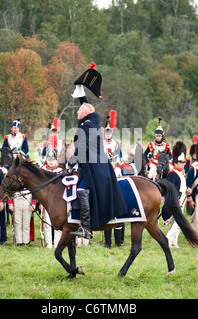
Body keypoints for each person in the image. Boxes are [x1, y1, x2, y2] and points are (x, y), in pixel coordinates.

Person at [68, 63, 128, 239]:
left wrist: (72, 159)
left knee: (81, 190)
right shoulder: (89, 119)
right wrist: (80, 86)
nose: (77, 112)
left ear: (85, 114)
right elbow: (85, 104)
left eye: (79, 111)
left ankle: (86, 228)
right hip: (88, 167)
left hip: (96, 169)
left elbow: (84, 147)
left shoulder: (90, 124)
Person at [164, 141, 187, 248]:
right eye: (181, 162)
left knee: (176, 222)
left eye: (184, 162)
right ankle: (167, 239)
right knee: (179, 223)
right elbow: (171, 189)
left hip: (181, 200)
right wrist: (176, 200)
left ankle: (174, 242)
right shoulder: (173, 173)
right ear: (176, 162)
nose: (183, 164)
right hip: (175, 201)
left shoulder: (180, 173)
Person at [40, 149, 63, 248]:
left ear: (56, 160)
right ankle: (49, 243)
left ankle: (57, 243)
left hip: (58, 201)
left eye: (52, 159)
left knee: (58, 223)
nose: (51, 162)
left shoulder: (61, 171)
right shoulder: (44, 171)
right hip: (47, 201)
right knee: (47, 223)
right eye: (49, 159)